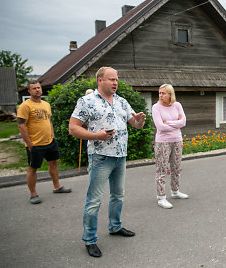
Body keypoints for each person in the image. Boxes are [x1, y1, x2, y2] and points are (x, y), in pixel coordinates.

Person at [69, 67, 146, 258]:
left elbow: (134, 124)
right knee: (94, 201)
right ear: (99, 81)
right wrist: (96, 136)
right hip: (100, 157)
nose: (115, 83)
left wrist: (140, 121)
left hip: (120, 156)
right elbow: (73, 128)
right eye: (111, 79)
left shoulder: (121, 101)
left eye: (117, 80)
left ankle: (115, 226)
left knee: (118, 196)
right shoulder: (86, 102)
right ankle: (90, 239)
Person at [17, 80, 71, 205]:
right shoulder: (25, 106)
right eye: (34, 88)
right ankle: (33, 194)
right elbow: (21, 126)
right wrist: (29, 144)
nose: (37, 90)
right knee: (33, 168)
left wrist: (52, 134)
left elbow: (49, 121)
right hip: (35, 144)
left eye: (39, 88)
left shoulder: (46, 104)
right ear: (29, 91)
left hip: (50, 142)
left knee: (53, 163)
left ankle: (57, 187)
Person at [152, 84, 188, 209]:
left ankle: (175, 191)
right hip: (163, 142)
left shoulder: (177, 105)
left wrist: (170, 123)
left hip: (177, 140)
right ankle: (161, 197)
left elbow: (183, 122)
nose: (160, 95)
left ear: (170, 94)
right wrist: (176, 124)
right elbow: (160, 126)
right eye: (159, 93)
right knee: (161, 169)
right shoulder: (156, 107)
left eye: (163, 93)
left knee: (176, 168)